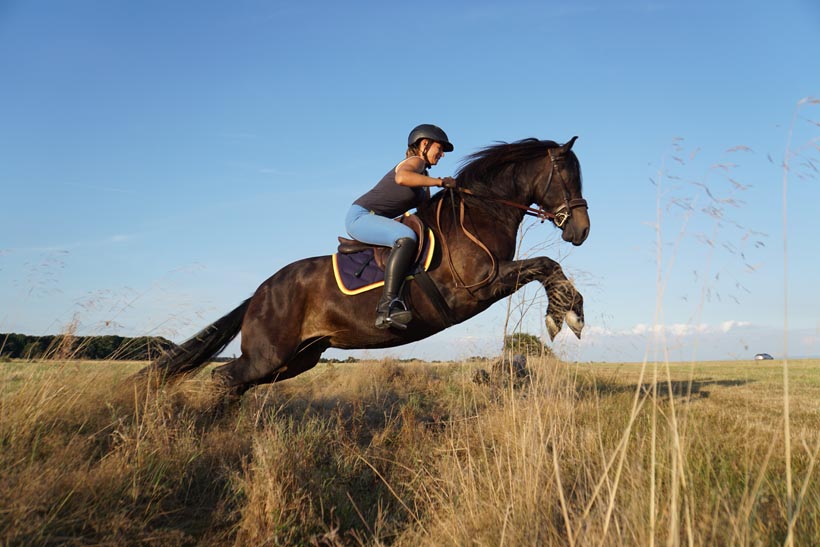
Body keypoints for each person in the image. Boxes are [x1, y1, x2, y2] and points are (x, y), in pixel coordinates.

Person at [346, 124, 458, 330]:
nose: (442, 154)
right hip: (360, 217)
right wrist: (440, 182)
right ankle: (387, 305)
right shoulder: (414, 162)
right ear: (424, 144)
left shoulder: (423, 182)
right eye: (439, 148)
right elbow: (401, 177)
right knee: (406, 236)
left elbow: (427, 210)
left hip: (375, 219)